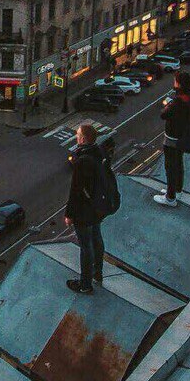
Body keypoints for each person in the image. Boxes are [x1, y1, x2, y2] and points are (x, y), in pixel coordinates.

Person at [64, 122, 107, 294]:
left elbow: (76, 190)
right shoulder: (98, 153)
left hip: (84, 210)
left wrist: (69, 214)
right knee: (96, 238)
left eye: (77, 134)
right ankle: (98, 273)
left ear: (82, 138)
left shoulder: (82, 161)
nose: (76, 136)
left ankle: (85, 284)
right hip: (97, 206)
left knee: (85, 246)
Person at [154, 71, 190, 208]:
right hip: (183, 136)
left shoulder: (178, 101)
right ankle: (176, 190)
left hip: (172, 138)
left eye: (175, 81)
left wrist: (168, 104)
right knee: (178, 164)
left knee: (170, 167)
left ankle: (170, 197)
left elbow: (164, 115)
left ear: (178, 83)